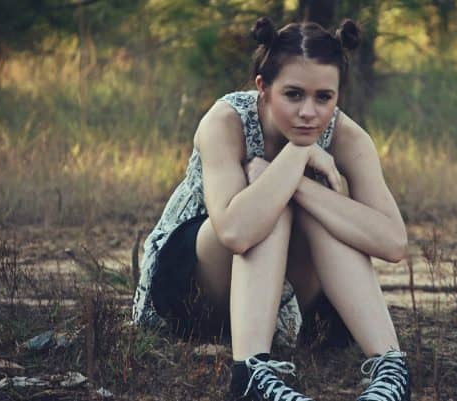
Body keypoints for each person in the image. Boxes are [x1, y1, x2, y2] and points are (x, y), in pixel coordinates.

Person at [132, 16, 411, 401]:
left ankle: (391, 370)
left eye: (324, 97)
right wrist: (295, 158)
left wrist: (297, 182)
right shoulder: (226, 121)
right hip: (194, 286)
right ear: (263, 87)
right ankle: (251, 375)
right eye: (293, 95)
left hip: (285, 297)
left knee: (319, 210)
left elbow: (393, 243)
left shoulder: (348, 136)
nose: (309, 112)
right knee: (268, 207)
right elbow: (235, 232)